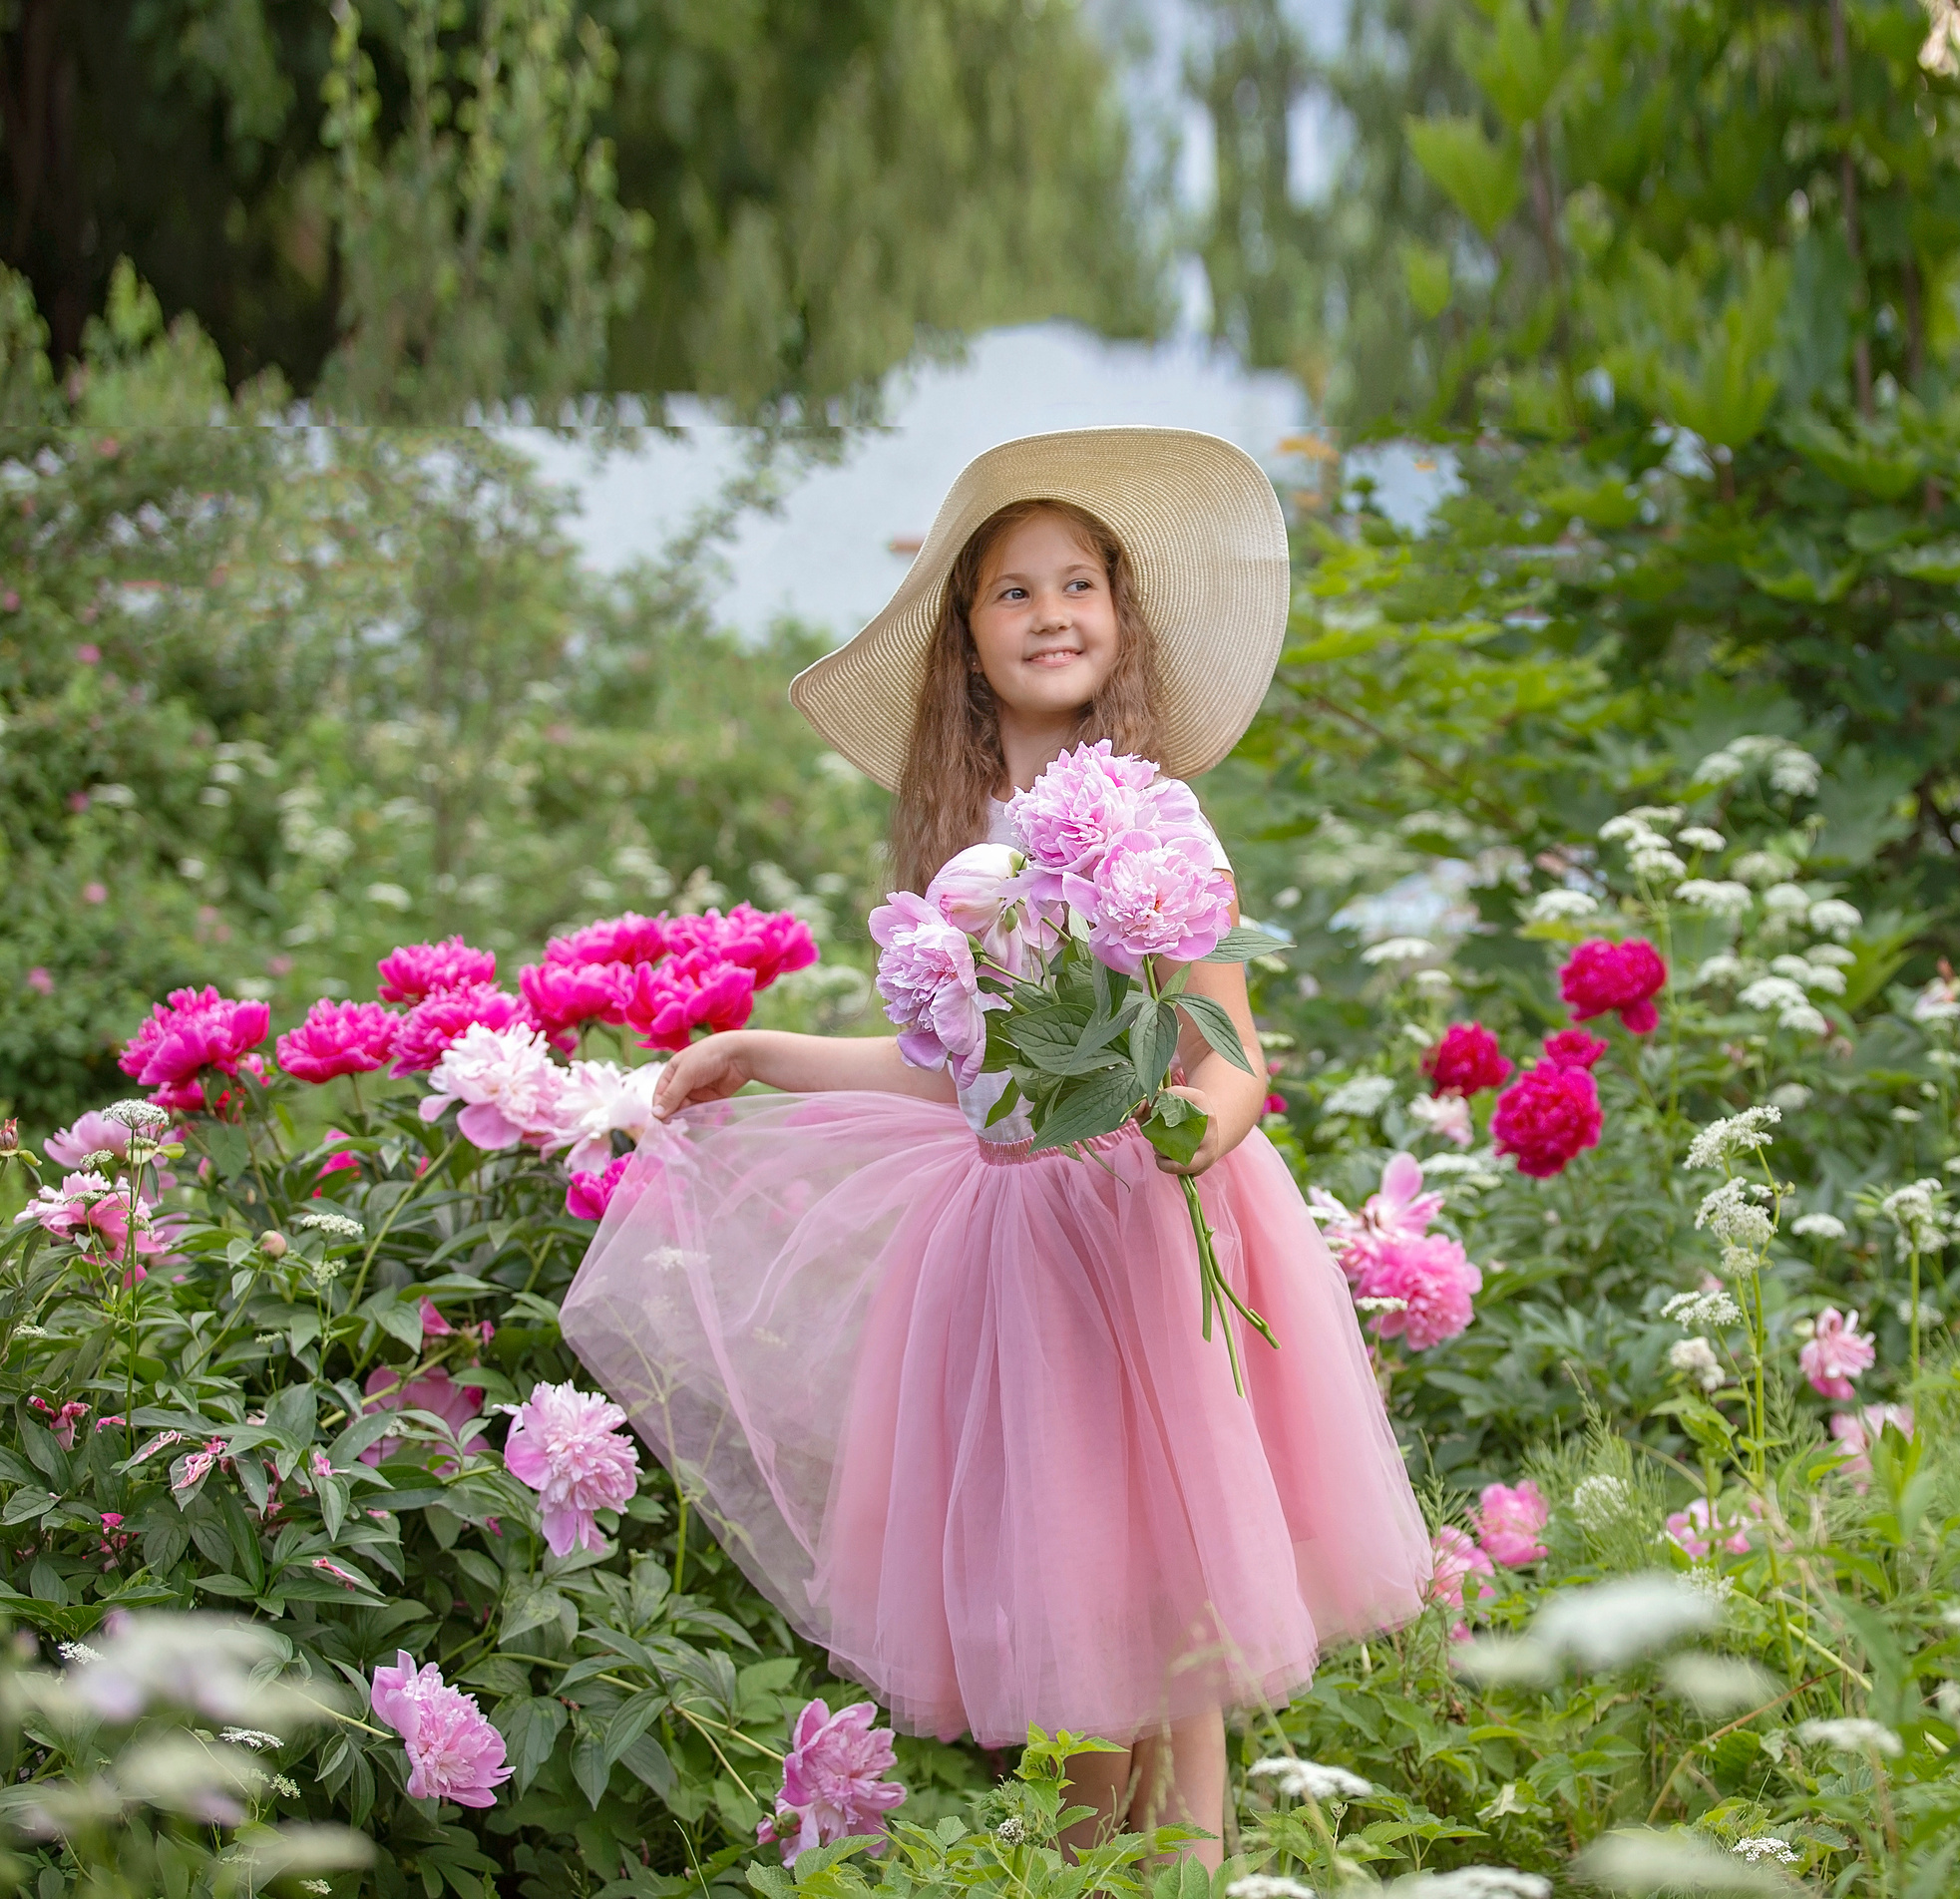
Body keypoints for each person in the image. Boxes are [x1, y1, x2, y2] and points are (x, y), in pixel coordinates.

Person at [558, 427, 1431, 1865]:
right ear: (966, 637)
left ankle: (1186, 1870)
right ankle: (1088, 1869)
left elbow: (1232, 1054)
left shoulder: (1157, 821)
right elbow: (954, 1076)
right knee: (1074, 1583)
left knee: (1181, 1594)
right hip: (1020, 1249)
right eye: (1013, 592)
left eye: (1078, 584)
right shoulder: (961, 845)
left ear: (1121, 617)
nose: (1050, 614)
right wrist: (762, 1052)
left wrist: (1192, 1138)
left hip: (1145, 1220)